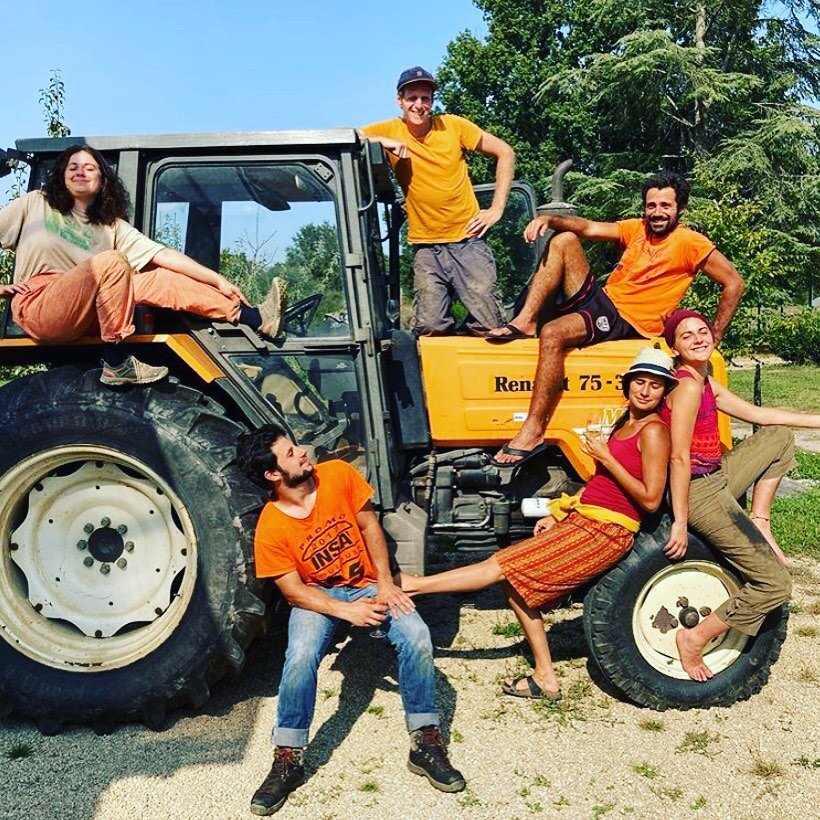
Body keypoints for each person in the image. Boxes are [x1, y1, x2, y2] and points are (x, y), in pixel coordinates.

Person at [402, 348, 674, 699]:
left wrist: (605, 456)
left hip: (608, 530)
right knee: (514, 586)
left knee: (500, 566)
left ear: (664, 391)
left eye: (655, 385)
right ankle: (545, 676)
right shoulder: (625, 420)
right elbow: (601, 482)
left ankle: (413, 586)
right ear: (628, 384)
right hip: (584, 518)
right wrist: (560, 511)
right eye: (640, 381)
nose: (645, 390)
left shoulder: (654, 431)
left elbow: (650, 498)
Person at [236, 425, 465, 816]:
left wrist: (384, 582)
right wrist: (345, 611)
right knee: (301, 655)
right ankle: (288, 758)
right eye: (290, 454)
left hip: (366, 583)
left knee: (418, 636)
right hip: (318, 597)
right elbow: (293, 592)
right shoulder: (270, 527)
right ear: (273, 475)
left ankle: (425, 742)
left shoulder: (339, 475)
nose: (303, 453)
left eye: (296, 447)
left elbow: (370, 526)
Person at [491, 172, 745, 465]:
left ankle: (533, 429)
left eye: (666, 206)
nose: (657, 213)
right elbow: (587, 227)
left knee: (554, 333)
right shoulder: (636, 229)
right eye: (651, 206)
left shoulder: (691, 242)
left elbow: (734, 283)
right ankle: (524, 320)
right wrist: (550, 220)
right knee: (565, 239)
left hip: (627, 321)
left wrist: (714, 335)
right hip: (605, 303)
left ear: (680, 209)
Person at [0, 144, 287, 386]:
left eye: (90, 167)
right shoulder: (36, 204)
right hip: (41, 305)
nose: (80, 171)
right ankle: (116, 362)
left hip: (88, 311)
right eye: (72, 166)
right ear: (62, 174)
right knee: (112, 262)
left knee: (160, 278)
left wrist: (218, 280)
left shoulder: (111, 227)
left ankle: (256, 318)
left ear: (102, 179)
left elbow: (162, 254)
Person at [660, 309, 820, 681]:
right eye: (687, 336)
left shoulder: (706, 381)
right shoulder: (685, 386)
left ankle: (760, 521)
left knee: (778, 437)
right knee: (775, 584)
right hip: (697, 492)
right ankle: (694, 637)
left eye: (703, 331)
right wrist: (681, 521)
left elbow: (759, 415)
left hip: (717, 476)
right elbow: (679, 457)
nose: (699, 339)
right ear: (675, 347)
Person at [361, 66, 515, 336]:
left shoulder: (453, 126)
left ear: (432, 102)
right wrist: (382, 142)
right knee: (430, 326)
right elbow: (342, 135)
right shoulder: (390, 130)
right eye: (412, 98)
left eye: (425, 99)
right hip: (426, 247)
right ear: (400, 100)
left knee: (491, 325)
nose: (419, 105)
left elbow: (505, 152)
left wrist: (496, 209)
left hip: (467, 240)